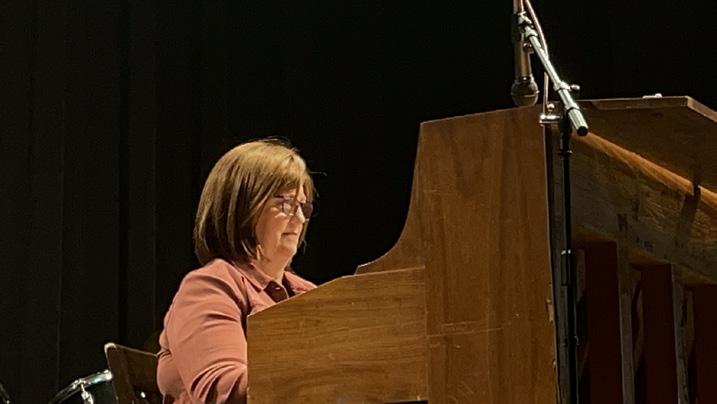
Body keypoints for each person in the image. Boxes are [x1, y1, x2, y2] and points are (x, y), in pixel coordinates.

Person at [156, 139, 317, 403]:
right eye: (286, 203)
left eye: (303, 206)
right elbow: (225, 390)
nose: (299, 218)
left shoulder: (309, 295)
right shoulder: (210, 286)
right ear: (242, 207)